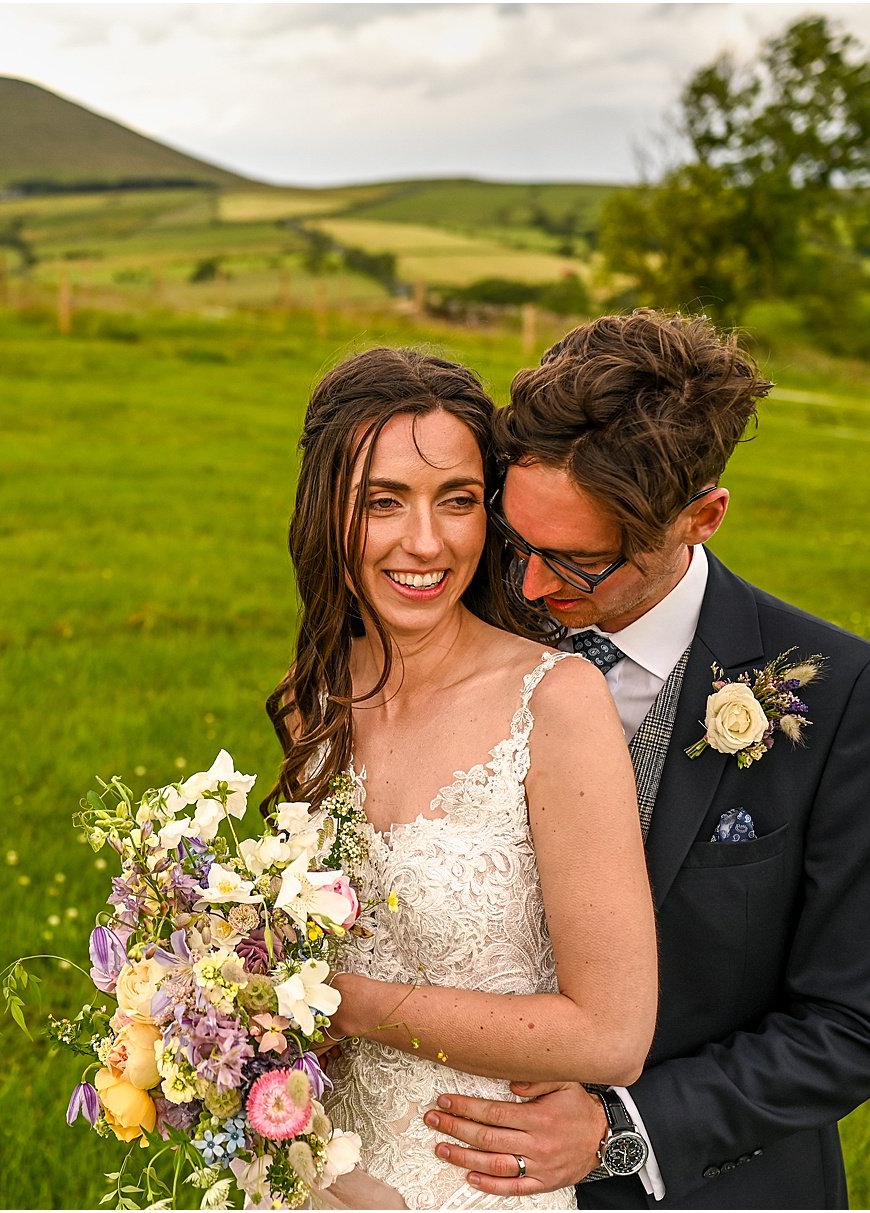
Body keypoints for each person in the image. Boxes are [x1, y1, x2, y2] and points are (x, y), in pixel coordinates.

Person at [422, 310, 870, 1208]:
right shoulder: (466, 627)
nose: (530, 588)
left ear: (702, 516)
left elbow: (858, 1020)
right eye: (514, 539)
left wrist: (625, 1129)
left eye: (577, 563)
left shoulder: (839, 691)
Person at [263, 347, 659, 1209]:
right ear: (326, 509)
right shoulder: (314, 700)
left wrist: (349, 1004)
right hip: (313, 1172)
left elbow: (613, 1033)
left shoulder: (555, 700)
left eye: (459, 501)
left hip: (474, 1185)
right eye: (383, 502)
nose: (426, 542)